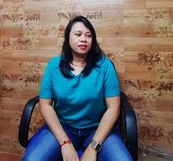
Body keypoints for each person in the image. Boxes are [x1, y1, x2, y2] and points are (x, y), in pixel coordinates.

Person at [22, 15, 133, 161]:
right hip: (63, 127)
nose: (83, 39)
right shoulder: (54, 65)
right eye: (78, 34)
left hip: (97, 129)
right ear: (68, 38)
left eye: (88, 35)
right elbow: (45, 105)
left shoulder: (105, 65)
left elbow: (113, 108)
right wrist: (65, 142)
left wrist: (94, 146)